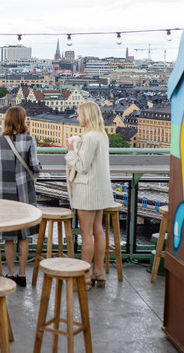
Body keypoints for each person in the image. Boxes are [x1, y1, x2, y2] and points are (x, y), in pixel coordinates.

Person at [0, 106, 42, 287]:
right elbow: (35, 166)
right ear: (23, 120)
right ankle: (22, 275)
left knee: (8, 236)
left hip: (3, 193)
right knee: (24, 236)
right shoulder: (29, 140)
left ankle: (10, 273)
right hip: (24, 193)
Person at [64, 102, 115, 290]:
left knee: (86, 234)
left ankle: (85, 277)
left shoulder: (90, 137)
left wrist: (69, 152)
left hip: (86, 190)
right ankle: (98, 273)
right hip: (100, 188)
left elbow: (82, 166)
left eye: (79, 115)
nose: (78, 118)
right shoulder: (102, 135)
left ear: (87, 116)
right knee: (98, 231)